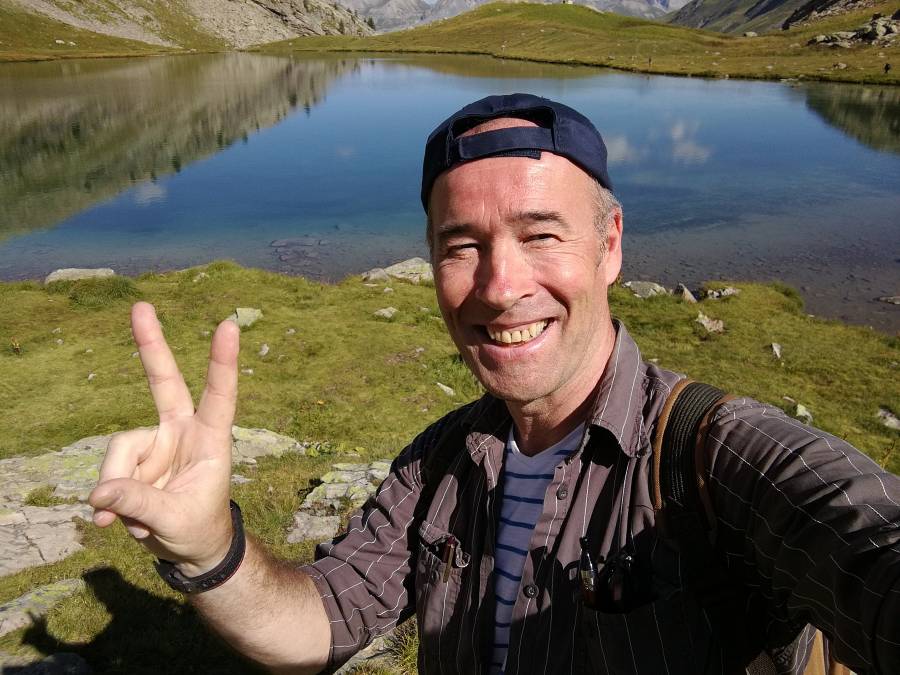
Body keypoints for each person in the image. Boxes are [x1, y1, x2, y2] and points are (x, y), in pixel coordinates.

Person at [89, 94, 900, 675]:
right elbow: (324, 617)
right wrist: (209, 549)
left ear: (610, 245)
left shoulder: (715, 457)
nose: (500, 286)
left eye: (540, 233)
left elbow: (867, 546)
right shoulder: (439, 462)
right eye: (461, 245)